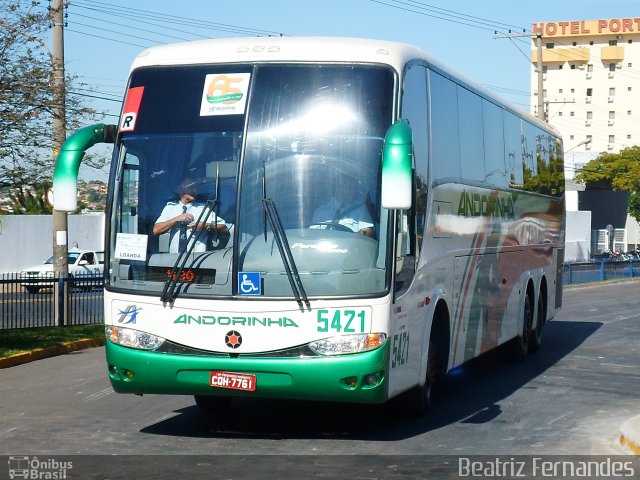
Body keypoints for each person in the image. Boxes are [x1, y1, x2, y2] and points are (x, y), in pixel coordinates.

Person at [153, 178, 227, 253]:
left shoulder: (202, 209)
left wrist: (206, 226)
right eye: (191, 188)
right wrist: (176, 219)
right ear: (179, 189)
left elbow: (224, 228)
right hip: (174, 261)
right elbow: (156, 230)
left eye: (196, 188)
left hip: (196, 260)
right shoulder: (170, 208)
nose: (195, 191)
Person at [310, 183, 375, 238]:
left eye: (351, 188)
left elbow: (367, 230)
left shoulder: (361, 210)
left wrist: (356, 241)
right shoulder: (321, 211)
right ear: (336, 188)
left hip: (351, 249)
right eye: (344, 187)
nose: (347, 191)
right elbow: (312, 234)